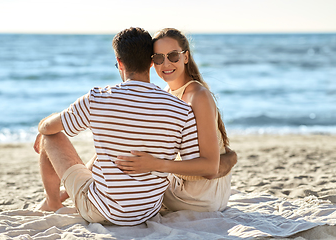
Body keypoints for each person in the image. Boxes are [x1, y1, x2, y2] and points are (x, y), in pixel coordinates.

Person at [33, 27, 207, 226]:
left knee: (50, 137)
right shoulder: (180, 108)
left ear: (120, 62)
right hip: (147, 211)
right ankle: (61, 197)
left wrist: (44, 127)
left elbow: (48, 128)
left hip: (102, 211)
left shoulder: (98, 98)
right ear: (151, 62)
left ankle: (52, 202)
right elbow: (196, 165)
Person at [116, 28, 236, 212]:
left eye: (173, 56)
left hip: (200, 196)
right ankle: (71, 193)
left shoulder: (198, 95)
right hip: (188, 185)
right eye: (158, 58)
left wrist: (155, 164)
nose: (165, 64)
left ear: (185, 57)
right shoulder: (165, 94)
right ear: (151, 63)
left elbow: (211, 167)